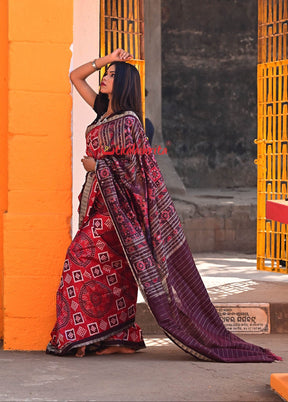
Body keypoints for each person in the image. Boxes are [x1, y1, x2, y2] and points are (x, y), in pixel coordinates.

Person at [46, 49, 281, 362]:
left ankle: (79, 338)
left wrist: (96, 167)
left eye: (112, 75)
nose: (104, 78)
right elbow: (75, 76)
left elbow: (133, 170)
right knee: (116, 277)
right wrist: (108, 59)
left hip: (118, 216)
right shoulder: (102, 112)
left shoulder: (129, 122)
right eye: (106, 73)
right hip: (99, 209)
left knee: (76, 264)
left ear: (126, 84)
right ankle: (120, 339)